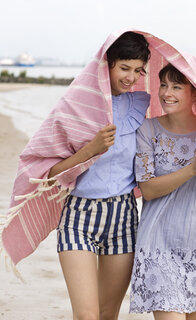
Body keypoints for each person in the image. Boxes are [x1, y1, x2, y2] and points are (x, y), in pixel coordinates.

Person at [48, 31, 151, 320]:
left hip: (123, 216)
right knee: (87, 315)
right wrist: (91, 149)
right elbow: (50, 173)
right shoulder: (76, 104)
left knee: (108, 314)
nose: (131, 77)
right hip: (79, 216)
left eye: (138, 70)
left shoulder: (142, 105)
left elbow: (175, 124)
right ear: (107, 64)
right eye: (124, 68)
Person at [129, 64, 196, 320]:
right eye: (163, 85)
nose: (167, 93)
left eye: (177, 86)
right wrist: (190, 170)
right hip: (159, 243)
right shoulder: (147, 130)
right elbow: (148, 189)